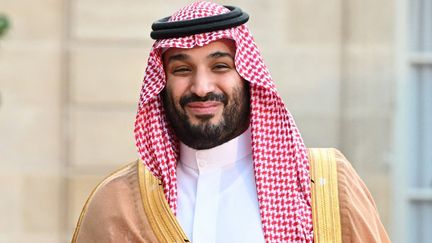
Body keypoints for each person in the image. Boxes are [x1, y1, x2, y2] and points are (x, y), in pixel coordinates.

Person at [72, 1, 390, 242]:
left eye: (220, 66)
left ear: (248, 77)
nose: (201, 87)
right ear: (162, 84)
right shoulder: (118, 202)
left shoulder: (326, 184)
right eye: (182, 70)